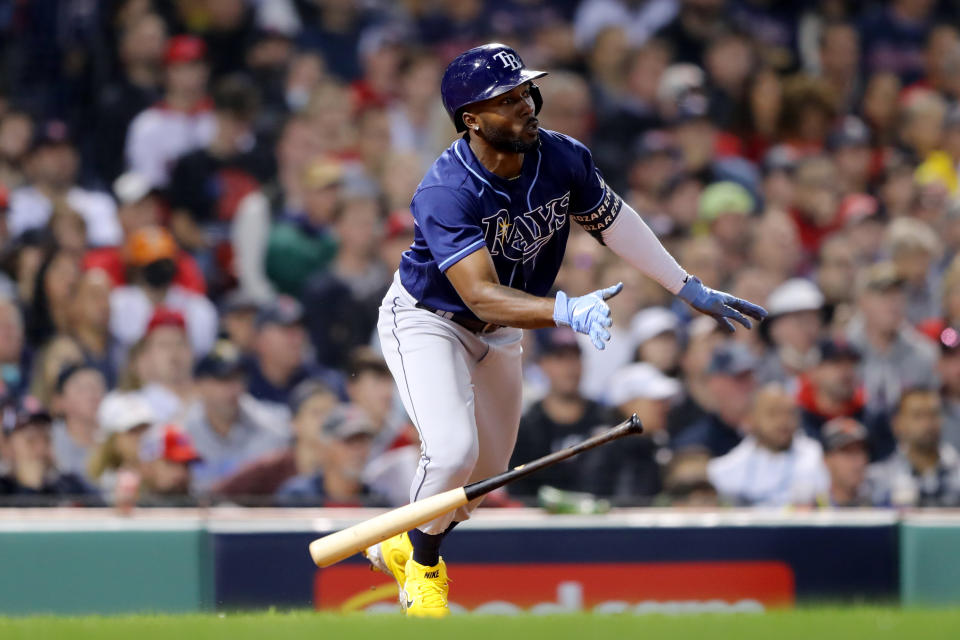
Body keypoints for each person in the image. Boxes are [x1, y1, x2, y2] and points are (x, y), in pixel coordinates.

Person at [364, 43, 766, 617]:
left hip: (502, 329)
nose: (525, 104)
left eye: (525, 91)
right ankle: (424, 568)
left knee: (486, 473)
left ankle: (408, 542)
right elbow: (476, 292)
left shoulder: (561, 156)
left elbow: (613, 221)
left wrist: (685, 286)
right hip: (430, 319)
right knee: (453, 451)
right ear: (471, 119)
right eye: (505, 99)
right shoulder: (447, 188)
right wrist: (562, 310)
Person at [508, 328, 613, 499]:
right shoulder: (527, 429)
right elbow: (518, 492)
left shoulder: (604, 419)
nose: (569, 367)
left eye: (575, 357)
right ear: (542, 364)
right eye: (560, 358)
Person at [182, 340, 289, 493]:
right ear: (199, 385)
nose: (233, 388)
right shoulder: (182, 430)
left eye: (238, 378)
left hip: (257, 514)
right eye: (223, 379)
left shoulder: (273, 427)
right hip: (195, 513)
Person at [210, 380, 338, 500]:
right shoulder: (271, 467)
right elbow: (215, 496)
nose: (325, 420)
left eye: (331, 413)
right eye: (316, 413)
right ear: (294, 423)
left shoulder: (346, 463)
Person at [708, 383, 830, 507]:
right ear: (751, 419)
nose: (783, 421)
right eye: (773, 413)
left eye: (790, 413)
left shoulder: (818, 458)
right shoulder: (724, 470)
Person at [108, 226, 218, 356]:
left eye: (164, 262)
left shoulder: (198, 307)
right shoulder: (117, 303)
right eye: (151, 263)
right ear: (136, 268)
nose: (158, 268)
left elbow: (202, 355)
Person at [867, 387, 960, 507]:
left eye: (934, 414)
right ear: (897, 424)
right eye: (918, 416)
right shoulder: (878, 480)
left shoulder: (957, 471)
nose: (928, 424)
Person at [275, 405, 381, 506]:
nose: (358, 451)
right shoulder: (297, 497)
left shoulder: (378, 501)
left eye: (363, 442)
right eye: (349, 441)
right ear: (325, 447)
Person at [0, 397, 96, 506]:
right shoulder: (3, 489)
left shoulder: (70, 484)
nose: (41, 449)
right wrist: (30, 487)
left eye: (47, 439)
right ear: (8, 447)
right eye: (31, 441)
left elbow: (104, 510)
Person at [672, 341, 758, 457]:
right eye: (739, 378)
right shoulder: (695, 445)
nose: (748, 386)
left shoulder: (773, 432)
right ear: (715, 384)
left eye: (750, 377)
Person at [49, 364, 107, 482]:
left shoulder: (116, 439)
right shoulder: (48, 439)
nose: (93, 396)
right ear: (59, 401)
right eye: (82, 389)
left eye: (98, 388)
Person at [819, 417, 872, 508]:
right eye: (847, 452)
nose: (857, 460)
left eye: (860, 451)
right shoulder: (810, 510)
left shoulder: (880, 503)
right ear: (826, 460)